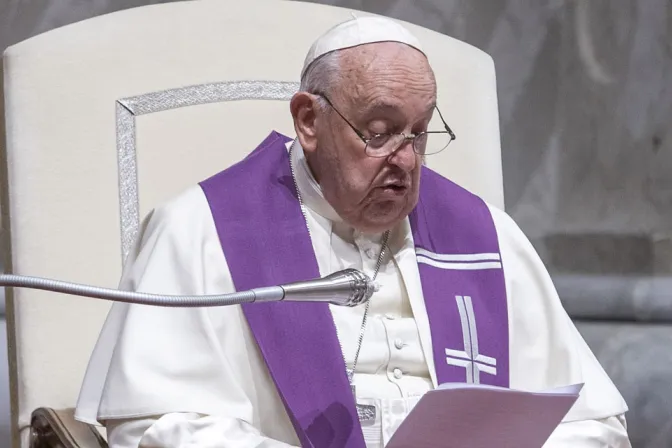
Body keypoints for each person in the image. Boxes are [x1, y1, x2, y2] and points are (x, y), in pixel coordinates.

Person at [75, 15, 630, 448]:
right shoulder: (205, 229)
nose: (406, 161)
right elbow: (157, 429)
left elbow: (595, 425)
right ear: (309, 122)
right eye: (380, 132)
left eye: (419, 132)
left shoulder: (485, 238)